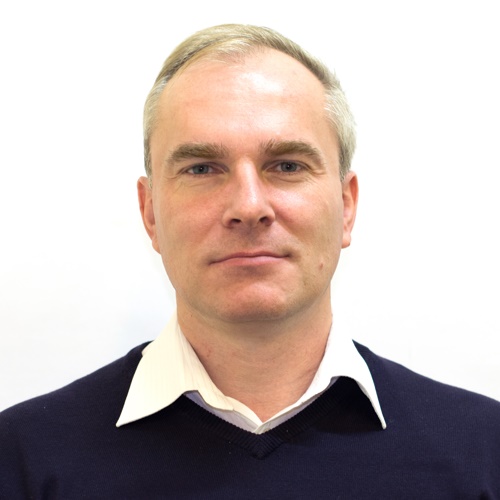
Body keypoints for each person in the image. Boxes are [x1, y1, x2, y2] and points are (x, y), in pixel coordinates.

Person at [1, 24, 499, 499]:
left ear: (346, 206)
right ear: (150, 213)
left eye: (287, 165)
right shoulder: (23, 460)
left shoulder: (483, 453)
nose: (248, 206)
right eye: (202, 168)